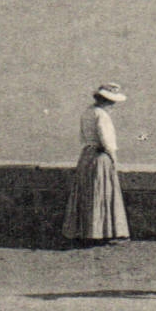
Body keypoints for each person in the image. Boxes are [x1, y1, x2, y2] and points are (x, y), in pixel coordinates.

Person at [63, 83, 131, 244]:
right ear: (107, 101)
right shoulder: (102, 116)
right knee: (103, 193)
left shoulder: (87, 112)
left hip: (86, 156)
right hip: (100, 157)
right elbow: (107, 141)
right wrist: (114, 159)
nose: (113, 105)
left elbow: (83, 137)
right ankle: (105, 233)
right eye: (112, 102)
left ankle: (86, 232)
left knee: (87, 192)